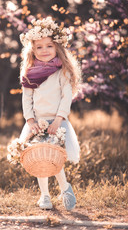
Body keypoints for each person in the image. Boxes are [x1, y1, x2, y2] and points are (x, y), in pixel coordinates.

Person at [19, 16, 81, 211]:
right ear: (32, 50)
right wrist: (30, 120)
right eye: (39, 47)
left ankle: (64, 188)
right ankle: (45, 195)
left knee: (53, 157)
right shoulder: (30, 73)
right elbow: (26, 99)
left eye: (49, 46)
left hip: (57, 122)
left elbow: (66, 97)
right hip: (36, 122)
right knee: (40, 157)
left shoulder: (62, 71)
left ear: (57, 48)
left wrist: (58, 120)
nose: (44, 50)